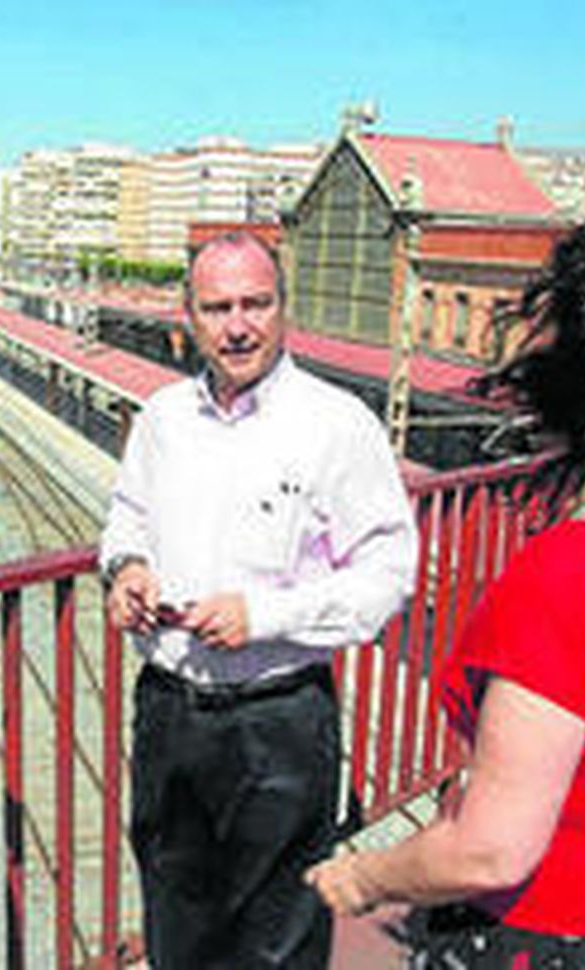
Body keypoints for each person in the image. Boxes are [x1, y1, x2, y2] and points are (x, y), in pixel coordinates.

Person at [305, 196, 585, 967]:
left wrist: (362, 877)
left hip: (543, 934)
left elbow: (491, 851)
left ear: (579, 376)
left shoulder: (569, 578)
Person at [100, 231, 418, 968]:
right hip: (169, 711)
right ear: (189, 315)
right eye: (217, 307)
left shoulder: (337, 424)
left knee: (279, 938)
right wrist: (127, 569)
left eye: (255, 303)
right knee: (176, 920)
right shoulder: (162, 419)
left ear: (284, 309)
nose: (237, 325)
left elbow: (388, 573)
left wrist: (266, 616)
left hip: (279, 720)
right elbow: (127, 516)